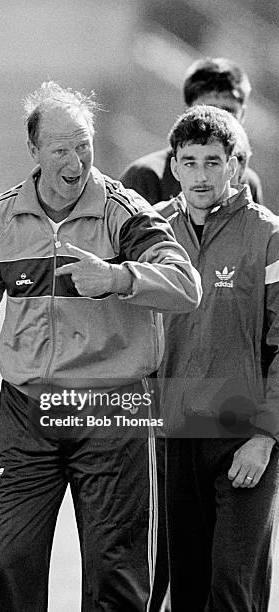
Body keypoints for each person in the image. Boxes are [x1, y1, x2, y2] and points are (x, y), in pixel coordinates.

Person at [0, 81, 201, 612]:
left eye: (85, 144)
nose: (76, 160)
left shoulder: (125, 212)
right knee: (9, 564)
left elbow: (185, 285)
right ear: (34, 152)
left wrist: (119, 279)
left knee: (115, 579)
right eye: (61, 148)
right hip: (27, 417)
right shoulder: (1, 220)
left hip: (114, 413)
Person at [155, 105, 279, 611]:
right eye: (190, 162)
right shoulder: (154, 231)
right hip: (174, 429)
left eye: (212, 161)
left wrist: (266, 436)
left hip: (244, 436)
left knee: (233, 588)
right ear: (175, 165)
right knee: (187, 589)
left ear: (234, 164)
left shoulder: (267, 235)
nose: (200, 174)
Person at [121, 57, 263, 205]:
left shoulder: (247, 182)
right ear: (187, 112)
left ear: (243, 115)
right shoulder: (146, 176)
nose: (218, 120)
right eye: (209, 109)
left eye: (228, 111)